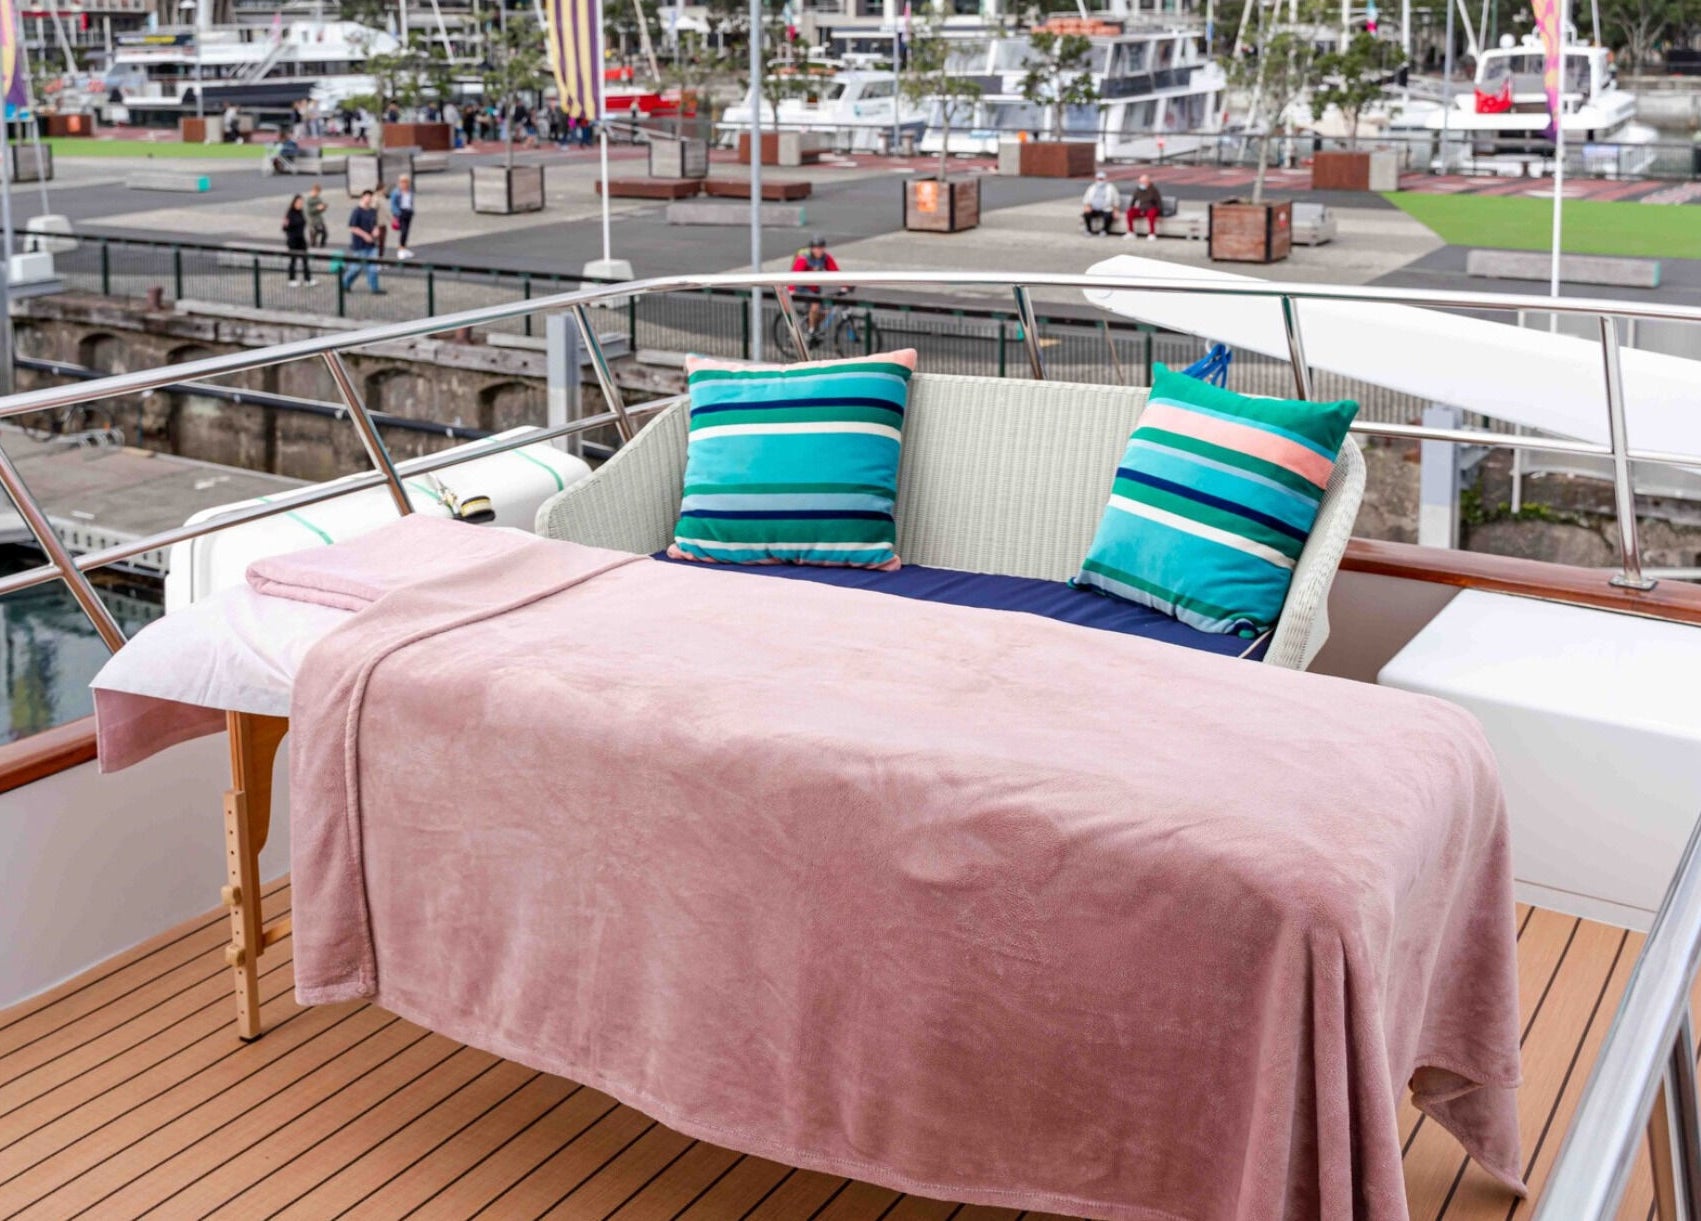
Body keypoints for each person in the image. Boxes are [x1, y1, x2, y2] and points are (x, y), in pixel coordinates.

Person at [789, 234, 840, 332]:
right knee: (815, 303)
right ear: (811, 248)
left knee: (826, 309)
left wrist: (846, 285)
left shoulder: (825, 258)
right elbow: (794, 275)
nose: (819, 251)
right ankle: (811, 330)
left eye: (821, 248)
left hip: (815, 289)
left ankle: (811, 323)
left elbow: (835, 272)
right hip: (801, 288)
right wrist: (791, 290)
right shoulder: (804, 258)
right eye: (816, 248)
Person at [341, 189, 384, 293]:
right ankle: (345, 283)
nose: (369, 199)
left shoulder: (373, 211)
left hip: (372, 243)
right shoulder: (357, 211)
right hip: (360, 244)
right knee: (356, 267)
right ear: (363, 198)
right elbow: (352, 227)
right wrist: (364, 235)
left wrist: (376, 230)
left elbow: (375, 224)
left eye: (370, 197)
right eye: (367, 197)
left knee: (373, 267)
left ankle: (375, 288)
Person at [282, 194, 313, 287]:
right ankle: (292, 279)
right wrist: (285, 225)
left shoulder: (301, 212)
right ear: (294, 203)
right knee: (293, 260)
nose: (300, 204)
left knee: (305, 259)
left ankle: (308, 279)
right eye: (299, 202)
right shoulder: (290, 213)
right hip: (293, 240)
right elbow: (285, 228)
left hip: (301, 239)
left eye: (301, 203)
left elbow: (304, 223)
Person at [1081, 170, 1120, 236]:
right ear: (1096, 179)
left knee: (1108, 216)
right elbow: (1086, 199)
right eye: (1099, 179)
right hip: (1093, 208)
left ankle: (1104, 230)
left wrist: (1116, 210)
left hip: (1106, 208)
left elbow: (1116, 199)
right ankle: (1088, 230)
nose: (1100, 180)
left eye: (1102, 179)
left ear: (1105, 179)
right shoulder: (1092, 188)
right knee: (1086, 214)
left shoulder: (1111, 188)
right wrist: (1087, 206)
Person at [1125, 174, 1163, 241]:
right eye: (1141, 182)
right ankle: (1131, 232)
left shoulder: (1154, 190)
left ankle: (1152, 233)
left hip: (1151, 208)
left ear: (1148, 182)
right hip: (1141, 208)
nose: (1142, 183)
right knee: (1129, 211)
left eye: (1143, 182)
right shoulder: (1138, 189)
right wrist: (1131, 208)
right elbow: (1133, 200)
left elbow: (1159, 202)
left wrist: (1160, 214)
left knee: (1151, 213)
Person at [389, 174, 416, 261]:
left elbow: (410, 202)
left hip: (408, 212)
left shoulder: (410, 191)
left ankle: (404, 247)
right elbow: (393, 204)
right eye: (402, 182)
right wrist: (396, 213)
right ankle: (400, 249)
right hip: (401, 212)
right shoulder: (396, 192)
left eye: (406, 182)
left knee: (407, 231)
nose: (404, 184)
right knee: (403, 231)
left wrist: (411, 210)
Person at [372, 180, 392, 260]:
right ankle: (377, 260)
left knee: (382, 242)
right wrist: (374, 225)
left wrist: (391, 219)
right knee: (378, 243)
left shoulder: (383, 197)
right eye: (385, 188)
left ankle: (381, 258)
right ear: (381, 189)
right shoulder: (376, 198)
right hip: (378, 224)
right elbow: (372, 211)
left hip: (383, 223)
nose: (386, 190)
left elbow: (386, 211)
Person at [306, 182, 329, 247]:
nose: (317, 194)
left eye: (318, 193)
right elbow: (309, 211)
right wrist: (317, 208)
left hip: (319, 219)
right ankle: (313, 243)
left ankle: (322, 245)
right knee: (315, 233)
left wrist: (323, 207)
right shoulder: (309, 200)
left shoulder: (318, 199)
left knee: (325, 233)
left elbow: (321, 210)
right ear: (313, 191)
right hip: (312, 220)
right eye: (316, 192)